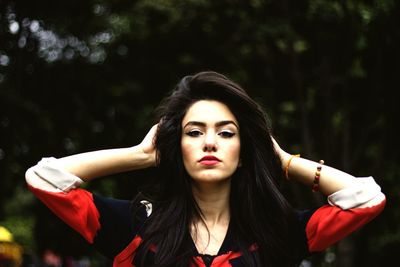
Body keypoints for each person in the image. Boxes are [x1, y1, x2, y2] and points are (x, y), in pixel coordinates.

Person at [25, 71, 385, 267]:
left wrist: (285, 161)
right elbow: (44, 179)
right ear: (177, 147)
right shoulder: (136, 226)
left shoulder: (277, 231)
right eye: (194, 132)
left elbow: (366, 198)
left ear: (242, 152)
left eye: (226, 133)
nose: (210, 142)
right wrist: (140, 155)